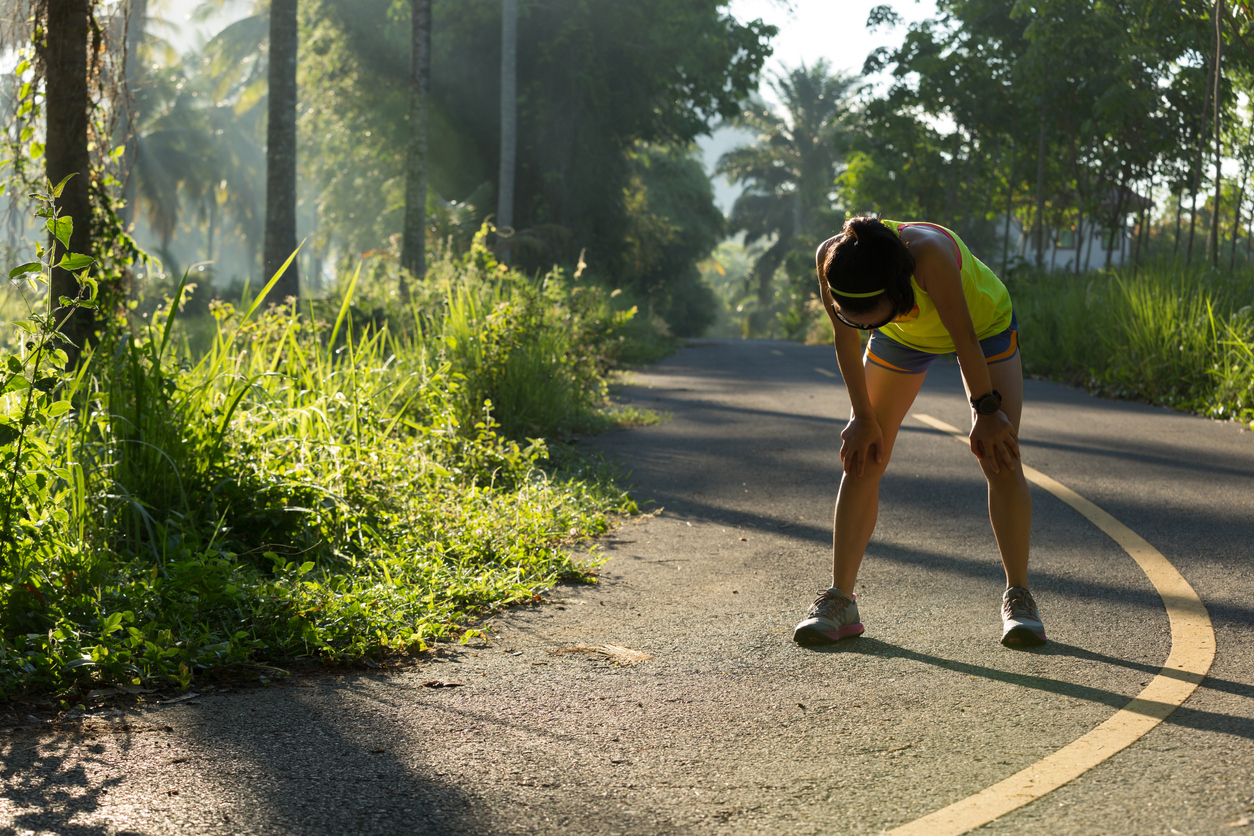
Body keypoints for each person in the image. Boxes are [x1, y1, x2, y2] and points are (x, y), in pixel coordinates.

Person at [792, 215, 1046, 648]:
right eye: (857, 322)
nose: (862, 330)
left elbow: (964, 337)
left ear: (895, 289)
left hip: (983, 329)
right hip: (903, 336)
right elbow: (844, 341)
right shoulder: (831, 257)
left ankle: (1019, 597)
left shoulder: (929, 254)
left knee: (999, 454)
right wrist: (861, 417)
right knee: (865, 454)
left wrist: (986, 412)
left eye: (868, 321)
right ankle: (840, 599)